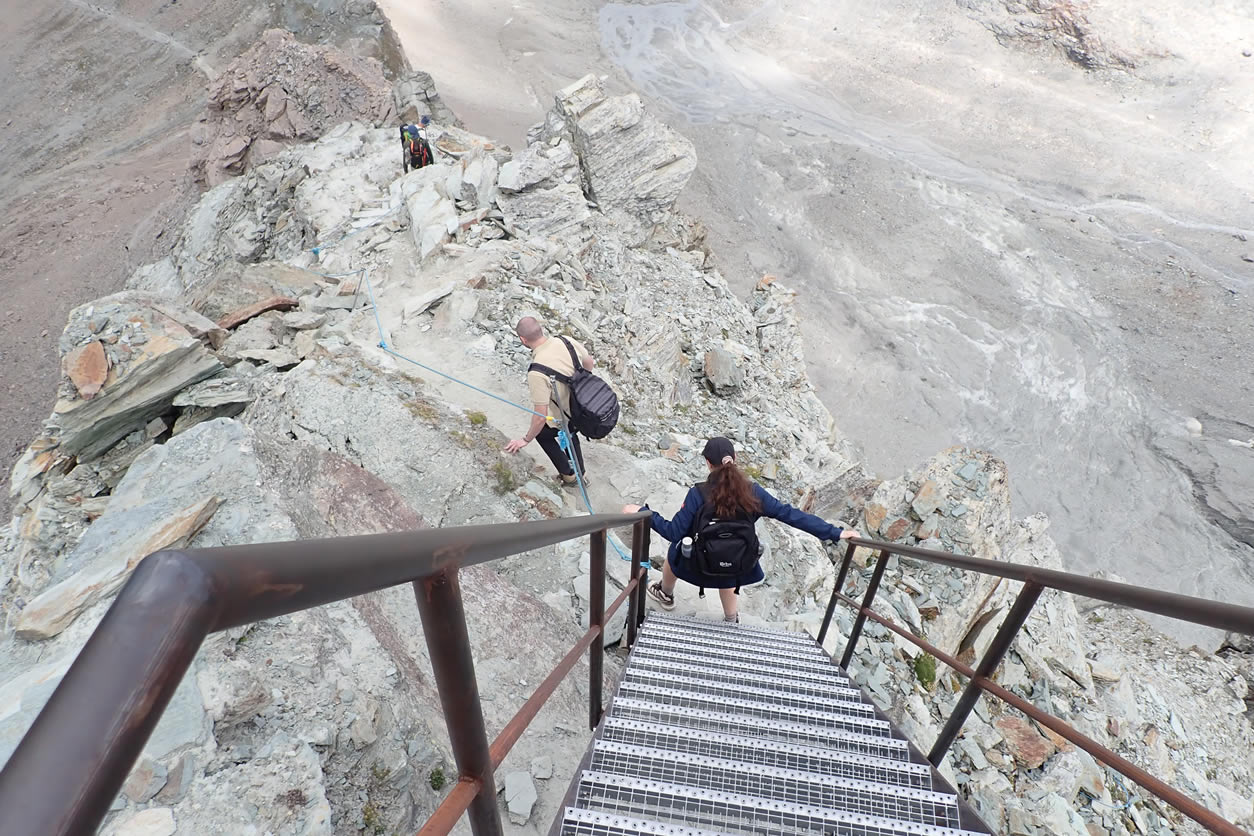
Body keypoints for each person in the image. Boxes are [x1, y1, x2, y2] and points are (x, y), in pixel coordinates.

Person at [624, 437, 860, 623]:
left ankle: (665, 594)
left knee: (675, 549)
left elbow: (673, 532)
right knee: (728, 560)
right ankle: (730, 619)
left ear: (708, 463)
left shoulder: (697, 494)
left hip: (697, 567)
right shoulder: (753, 492)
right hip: (739, 567)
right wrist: (834, 532)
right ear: (734, 459)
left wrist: (644, 513)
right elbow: (791, 515)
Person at [503, 316, 595, 487]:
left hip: (563, 412)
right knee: (570, 433)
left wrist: (525, 440)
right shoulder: (565, 340)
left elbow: (540, 416)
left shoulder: (537, 371)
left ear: (523, 339)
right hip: (582, 405)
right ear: (541, 330)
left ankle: (570, 476)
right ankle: (580, 473)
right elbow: (589, 362)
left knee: (543, 434)